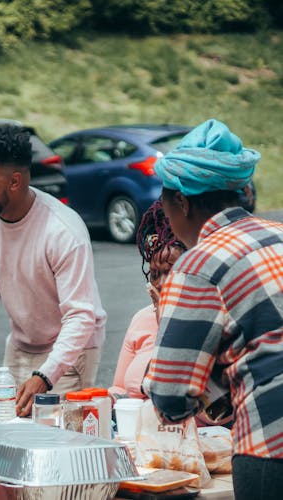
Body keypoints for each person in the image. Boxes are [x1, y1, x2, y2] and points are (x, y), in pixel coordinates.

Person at [142, 119, 283, 498]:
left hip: (271, 448)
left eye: (166, 207)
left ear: (182, 202)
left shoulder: (197, 266)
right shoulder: (279, 236)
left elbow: (171, 398)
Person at [0, 125, 106, 417]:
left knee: (60, 436)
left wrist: (46, 377)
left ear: (14, 181)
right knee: (8, 426)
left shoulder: (63, 230)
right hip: (22, 345)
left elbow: (80, 315)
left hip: (72, 350)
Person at [109, 200, 186, 400]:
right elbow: (118, 388)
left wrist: (166, 320)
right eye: (154, 274)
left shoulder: (205, 320)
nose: (159, 283)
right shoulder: (142, 319)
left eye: (169, 273)